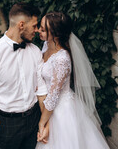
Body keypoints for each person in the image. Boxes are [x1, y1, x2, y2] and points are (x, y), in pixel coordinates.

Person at [0, 2, 47, 149]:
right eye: (34, 26)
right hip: (7, 124)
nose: (37, 30)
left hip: (34, 119)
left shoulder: (35, 52)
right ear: (21, 25)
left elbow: (42, 91)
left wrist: (43, 123)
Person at [36, 11, 110, 149]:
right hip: (46, 106)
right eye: (40, 26)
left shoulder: (62, 59)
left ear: (56, 34)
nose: (38, 31)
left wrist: (42, 123)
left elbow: (53, 97)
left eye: (43, 29)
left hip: (61, 109)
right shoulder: (46, 45)